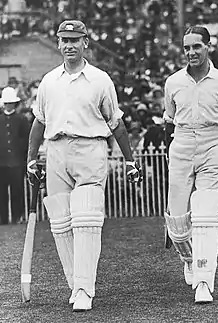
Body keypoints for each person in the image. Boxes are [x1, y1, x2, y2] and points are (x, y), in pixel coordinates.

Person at [26, 20, 142, 312]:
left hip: (90, 147)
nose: (69, 45)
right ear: (58, 44)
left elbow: (116, 123)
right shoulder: (49, 81)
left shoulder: (100, 79)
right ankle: (75, 283)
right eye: (64, 40)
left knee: (86, 221)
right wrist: (30, 158)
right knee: (61, 224)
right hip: (55, 151)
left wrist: (129, 159)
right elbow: (39, 121)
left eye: (75, 40)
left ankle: (84, 290)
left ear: (85, 42)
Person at [163, 26, 218, 304]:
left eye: (196, 47)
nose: (191, 52)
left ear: (208, 47)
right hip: (182, 146)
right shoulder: (173, 82)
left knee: (205, 217)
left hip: (214, 146)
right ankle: (189, 258)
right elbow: (169, 122)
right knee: (177, 224)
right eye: (187, 47)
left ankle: (204, 280)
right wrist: (172, 153)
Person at [0, 86, 30, 224]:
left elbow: (27, 139)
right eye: (6, 103)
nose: (8, 105)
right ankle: (3, 219)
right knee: (1, 193)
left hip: (17, 162)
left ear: (14, 103)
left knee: (17, 191)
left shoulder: (22, 120)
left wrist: (23, 156)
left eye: (10, 103)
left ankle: (18, 217)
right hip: (2, 162)